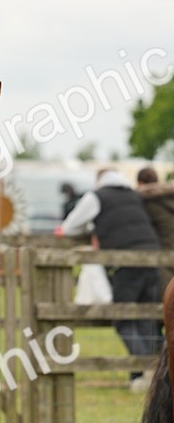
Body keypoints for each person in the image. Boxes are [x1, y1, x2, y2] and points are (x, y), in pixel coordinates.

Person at [61, 167, 162, 387]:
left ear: (99, 181)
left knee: (122, 317)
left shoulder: (96, 196)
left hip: (126, 261)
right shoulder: (134, 196)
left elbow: (70, 227)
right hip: (154, 257)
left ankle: (147, 371)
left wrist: (94, 226)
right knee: (147, 318)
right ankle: (147, 376)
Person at [137, 165, 174, 293]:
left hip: (163, 252)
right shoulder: (170, 197)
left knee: (165, 301)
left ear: (140, 183)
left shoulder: (147, 201)